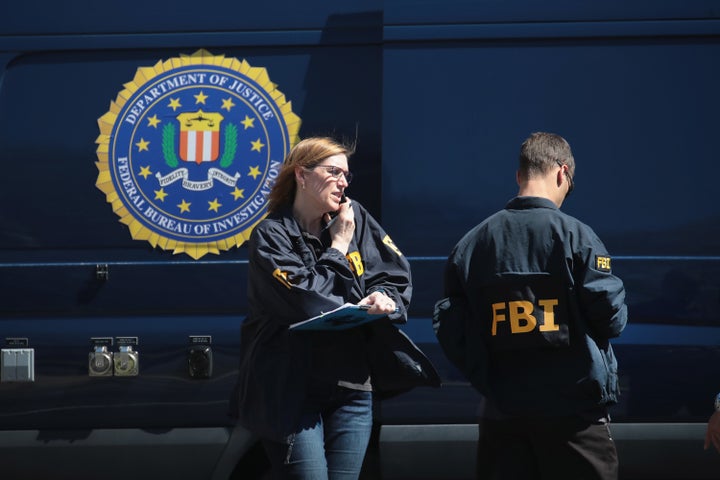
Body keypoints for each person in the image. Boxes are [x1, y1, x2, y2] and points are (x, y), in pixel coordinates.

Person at [235, 136, 439, 479]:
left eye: (347, 175)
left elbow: (394, 274)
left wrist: (382, 297)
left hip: (352, 390)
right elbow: (309, 300)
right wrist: (339, 245)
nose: (343, 182)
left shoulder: (355, 217)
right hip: (290, 391)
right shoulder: (271, 235)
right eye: (334, 172)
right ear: (301, 175)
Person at [433, 132, 628, 480]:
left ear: (519, 175)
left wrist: (487, 380)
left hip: (502, 414)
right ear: (561, 173)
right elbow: (611, 317)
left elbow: (451, 325)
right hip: (574, 414)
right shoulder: (576, 236)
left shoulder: (473, 243)